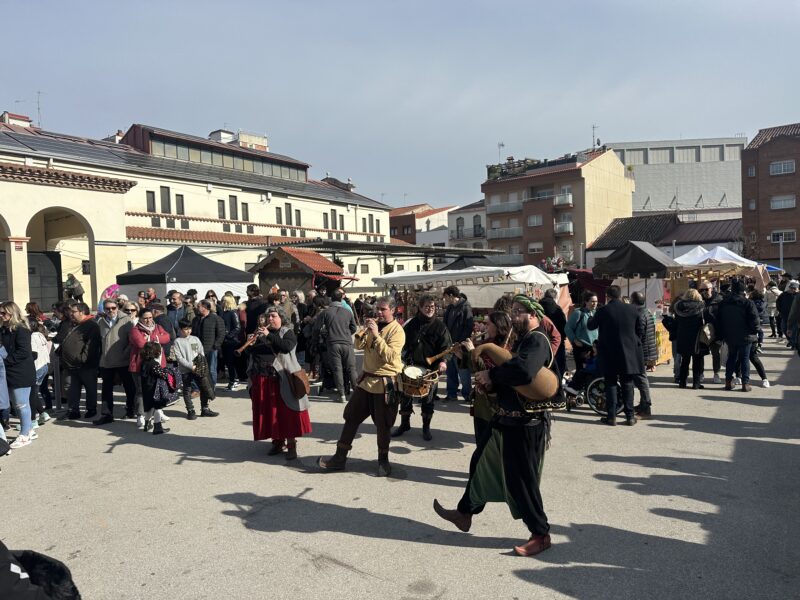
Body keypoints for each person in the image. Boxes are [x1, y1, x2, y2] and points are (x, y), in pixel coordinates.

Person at [432, 295, 554, 557]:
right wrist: (491, 383)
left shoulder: (538, 340)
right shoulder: (522, 340)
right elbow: (514, 379)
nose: (514, 316)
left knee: (521, 480)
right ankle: (465, 513)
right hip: (505, 417)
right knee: (479, 462)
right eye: (514, 311)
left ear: (534, 315)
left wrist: (492, 374)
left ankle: (540, 533)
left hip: (525, 423)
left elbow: (523, 372)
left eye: (520, 312)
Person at [319, 296, 405, 476]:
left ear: (393, 310)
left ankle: (383, 461)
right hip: (367, 382)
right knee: (351, 416)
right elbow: (358, 345)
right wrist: (365, 331)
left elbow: (390, 356)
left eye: (383, 309)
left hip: (385, 383)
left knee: (383, 424)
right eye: (378, 309)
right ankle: (339, 458)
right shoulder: (373, 326)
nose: (379, 313)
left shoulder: (397, 331)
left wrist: (375, 335)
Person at [247, 308, 311, 460]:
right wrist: (250, 344)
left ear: (281, 318)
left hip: (284, 379)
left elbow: (285, 347)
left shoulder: (287, 333)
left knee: (287, 413)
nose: (270, 319)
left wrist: (269, 336)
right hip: (265, 378)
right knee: (270, 413)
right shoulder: (261, 333)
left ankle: (291, 445)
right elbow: (254, 353)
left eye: (274, 316)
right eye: (268, 316)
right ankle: (277, 442)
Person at [392, 294, 451, 441]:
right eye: (427, 306)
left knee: (428, 400)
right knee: (405, 396)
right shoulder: (411, 324)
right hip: (411, 366)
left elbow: (446, 347)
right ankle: (404, 424)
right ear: (420, 308)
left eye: (432, 306)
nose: (430, 309)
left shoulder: (440, 327)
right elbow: (402, 343)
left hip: (431, 369)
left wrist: (444, 361)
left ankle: (426, 428)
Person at [587, 285, 644, 426]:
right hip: (628, 353)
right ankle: (630, 416)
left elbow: (591, 326)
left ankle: (611, 416)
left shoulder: (602, 310)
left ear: (607, 296)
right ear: (620, 295)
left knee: (610, 383)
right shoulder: (632, 309)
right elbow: (640, 329)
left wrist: (590, 316)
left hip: (608, 352)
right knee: (628, 383)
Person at [454, 310, 513, 441]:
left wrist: (472, 351)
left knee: (489, 440)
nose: (486, 327)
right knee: (480, 436)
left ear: (498, 326)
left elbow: (487, 371)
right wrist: (461, 355)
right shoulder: (487, 342)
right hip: (481, 399)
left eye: (489, 324)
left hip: (494, 401)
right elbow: (475, 368)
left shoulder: (505, 347)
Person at [0, 302, 37, 448]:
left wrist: (6, 361)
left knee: (21, 404)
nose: (1, 316)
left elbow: (23, 352)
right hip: (10, 371)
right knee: (18, 404)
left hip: (21, 372)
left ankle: (24, 434)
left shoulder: (21, 329)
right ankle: (28, 430)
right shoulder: (4, 329)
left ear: (12, 313)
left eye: (4, 313)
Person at [95, 298, 136, 425]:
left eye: (113, 308)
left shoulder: (126, 321)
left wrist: (125, 353)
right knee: (106, 389)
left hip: (123, 360)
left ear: (117, 308)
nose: (110, 310)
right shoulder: (101, 322)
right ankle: (107, 414)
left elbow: (132, 341)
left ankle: (131, 410)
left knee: (129, 387)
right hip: (106, 361)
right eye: (107, 308)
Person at [129, 307, 171, 428]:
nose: (148, 320)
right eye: (145, 318)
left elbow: (167, 337)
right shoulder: (135, 330)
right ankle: (140, 415)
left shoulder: (157, 327)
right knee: (141, 391)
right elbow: (141, 344)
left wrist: (152, 338)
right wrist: (157, 339)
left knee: (158, 389)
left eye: (150, 318)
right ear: (140, 318)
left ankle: (159, 412)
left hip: (158, 363)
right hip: (139, 365)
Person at [59, 302, 102, 421]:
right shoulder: (72, 324)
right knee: (71, 388)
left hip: (85, 365)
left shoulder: (91, 325)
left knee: (90, 388)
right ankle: (73, 410)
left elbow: (91, 347)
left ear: (82, 312)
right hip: (70, 365)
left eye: (73, 311)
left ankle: (91, 409)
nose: (70, 314)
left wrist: (81, 359)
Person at [314, 288, 358, 404]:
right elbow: (354, 328)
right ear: (341, 298)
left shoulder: (325, 312)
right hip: (347, 343)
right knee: (351, 368)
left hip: (333, 343)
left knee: (337, 369)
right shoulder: (348, 312)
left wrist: (318, 340)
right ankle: (357, 393)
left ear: (330, 299)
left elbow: (317, 329)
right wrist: (346, 333)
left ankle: (342, 395)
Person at [716, 279, 760, 392]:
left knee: (731, 357)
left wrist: (722, 334)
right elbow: (755, 320)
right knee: (744, 359)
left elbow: (718, 320)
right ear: (743, 290)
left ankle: (728, 381)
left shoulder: (723, 302)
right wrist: (755, 331)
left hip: (729, 335)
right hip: (746, 335)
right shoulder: (747, 303)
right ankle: (745, 383)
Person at [171, 319, 217, 419]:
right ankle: (190, 410)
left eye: (190, 329)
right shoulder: (177, 341)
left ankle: (205, 409)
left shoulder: (195, 339)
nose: (188, 331)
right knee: (187, 390)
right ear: (180, 329)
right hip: (186, 370)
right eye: (185, 329)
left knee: (204, 388)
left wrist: (200, 365)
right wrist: (191, 366)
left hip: (198, 369)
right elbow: (179, 358)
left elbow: (201, 353)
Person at [442, 286, 474, 402]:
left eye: (445, 297)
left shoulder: (465, 306)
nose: (444, 300)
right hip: (450, 345)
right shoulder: (450, 308)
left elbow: (468, 326)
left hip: (460, 345)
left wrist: (459, 343)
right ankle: (452, 393)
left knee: (463, 370)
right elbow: (445, 325)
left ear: (451, 296)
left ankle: (467, 394)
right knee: (450, 370)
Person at [673, 289, 708, 389]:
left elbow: (676, 321)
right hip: (697, 336)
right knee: (697, 360)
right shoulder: (701, 306)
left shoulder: (679, 306)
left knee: (685, 360)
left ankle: (682, 382)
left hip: (682, 336)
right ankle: (696, 383)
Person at [630, 291, 655, 418]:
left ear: (633, 300)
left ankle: (646, 408)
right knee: (641, 378)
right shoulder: (646, 311)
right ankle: (643, 404)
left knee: (641, 379)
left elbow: (639, 334)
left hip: (642, 351)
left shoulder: (639, 314)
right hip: (648, 350)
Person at [139, 341, 172, 435]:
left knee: (149, 408)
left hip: (146, 389)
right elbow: (162, 375)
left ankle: (146, 425)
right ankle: (157, 427)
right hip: (155, 389)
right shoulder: (154, 364)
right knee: (157, 408)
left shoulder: (143, 362)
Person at [191, 299, 226, 388]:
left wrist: (215, 346)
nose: (196, 308)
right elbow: (193, 334)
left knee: (211, 370)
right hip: (197, 349)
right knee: (197, 369)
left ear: (204, 308)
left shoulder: (216, 319)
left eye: (198, 306)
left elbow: (221, 334)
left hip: (211, 349)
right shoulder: (196, 319)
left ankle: (211, 388)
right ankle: (197, 389)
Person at [565, 292, 598, 372]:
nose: (595, 304)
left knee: (592, 371)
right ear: (586, 302)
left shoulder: (596, 314)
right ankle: (576, 384)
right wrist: (574, 340)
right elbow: (567, 328)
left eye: (596, 301)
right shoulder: (578, 313)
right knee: (581, 371)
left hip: (594, 348)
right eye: (592, 301)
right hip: (581, 348)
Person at [698, 282, 724, 383]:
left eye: (706, 289)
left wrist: (721, 334)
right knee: (700, 354)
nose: (704, 292)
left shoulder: (719, 300)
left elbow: (723, 318)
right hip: (702, 332)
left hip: (715, 332)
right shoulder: (699, 301)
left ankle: (716, 374)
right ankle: (700, 374)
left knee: (715, 354)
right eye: (701, 290)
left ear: (711, 288)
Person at [540, 288, 567, 376]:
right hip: (557, 340)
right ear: (555, 298)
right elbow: (564, 325)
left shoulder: (537, 308)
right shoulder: (557, 309)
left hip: (540, 339)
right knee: (558, 366)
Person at [219, 294, 242, 391]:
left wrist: (228, 336)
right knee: (228, 362)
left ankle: (233, 381)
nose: (222, 302)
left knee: (231, 362)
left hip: (231, 342)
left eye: (224, 301)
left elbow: (237, 327)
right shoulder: (224, 313)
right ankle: (233, 380)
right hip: (225, 341)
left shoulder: (233, 313)